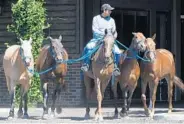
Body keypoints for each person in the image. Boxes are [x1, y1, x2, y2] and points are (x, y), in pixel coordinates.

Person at [81, 4, 121, 76]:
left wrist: (114, 36)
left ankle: (116, 67)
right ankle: (86, 64)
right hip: (98, 39)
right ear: (104, 10)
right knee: (88, 47)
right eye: (109, 10)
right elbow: (95, 30)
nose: (110, 12)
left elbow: (114, 31)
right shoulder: (96, 18)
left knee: (118, 52)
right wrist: (104, 35)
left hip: (109, 40)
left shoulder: (112, 20)